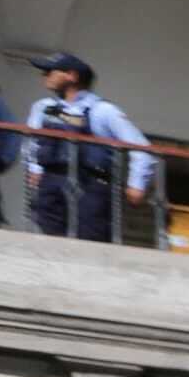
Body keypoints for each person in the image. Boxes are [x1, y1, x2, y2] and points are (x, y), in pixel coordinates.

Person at [18, 51, 153, 243]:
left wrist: (137, 184)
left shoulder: (103, 111)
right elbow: (34, 141)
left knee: (91, 240)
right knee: (50, 238)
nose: (46, 76)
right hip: (51, 182)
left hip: (91, 185)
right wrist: (35, 168)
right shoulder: (42, 107)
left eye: (51, 71)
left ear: (72, 76)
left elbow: (142, 148)